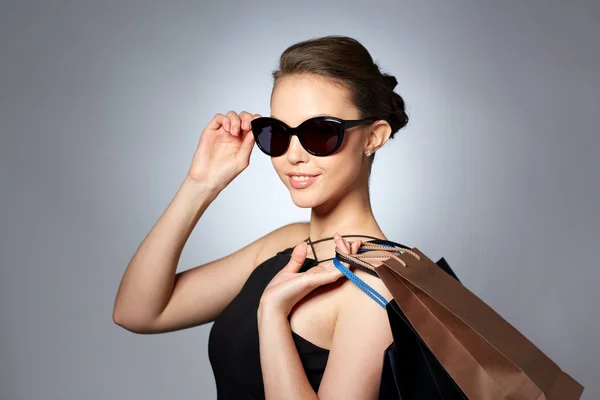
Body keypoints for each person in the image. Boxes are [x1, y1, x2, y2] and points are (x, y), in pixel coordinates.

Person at [112, 35, 410, 399]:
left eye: (321, 132)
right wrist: (201, 184)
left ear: (373, 137)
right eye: (279, 134)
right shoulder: (287, 243)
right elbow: (138, 312)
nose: (293, 156)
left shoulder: (374, 286)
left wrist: (272, 315)